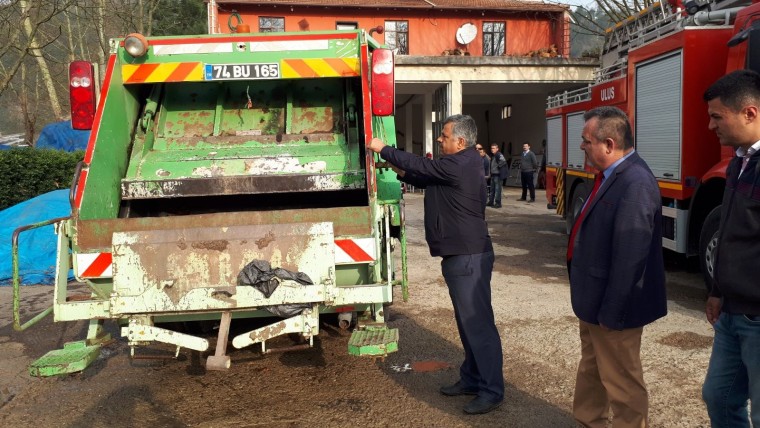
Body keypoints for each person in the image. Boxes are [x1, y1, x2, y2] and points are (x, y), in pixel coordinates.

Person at [367, 114, 504, 415]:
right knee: (467, 324)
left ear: (461, 141)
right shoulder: (456, 165)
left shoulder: (463, 162)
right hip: (460, 256)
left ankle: (492, 390)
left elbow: (423, 166)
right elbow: (423, 176)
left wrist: (383, 148)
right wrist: (398, 170)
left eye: (443, 135)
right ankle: (472, 379)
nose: (439, 140)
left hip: (468, 257)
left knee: (478, 326)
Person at [567, 106, 666, 427]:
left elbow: (631, 257)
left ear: (609, 144)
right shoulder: (611, 176)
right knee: (592, 369)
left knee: (622, 382)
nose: (581, 147)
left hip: (613, 309)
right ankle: (589, 420)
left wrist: (613, 311)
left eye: (586, 141)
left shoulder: (635, 182)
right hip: (593, 301)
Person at [701, 69, 760, 428]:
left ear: (750, 113)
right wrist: (717, 291)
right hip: (731, 313)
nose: (711, 126)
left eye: (717, 117)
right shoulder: (740, 160)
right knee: (718, 397)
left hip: (757, 316)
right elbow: (729, 232)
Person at [487, 143, 508, 208]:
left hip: (498, 175)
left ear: (497, 149)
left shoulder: (498, 154)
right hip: (493, 175)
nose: (492, 149)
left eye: (493, 148)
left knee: (497, 190)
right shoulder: (494, 155)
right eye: (491, 148)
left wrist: (498, 167)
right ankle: (491, 202)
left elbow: (503, 161)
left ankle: (498, 203)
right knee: (492, 190)